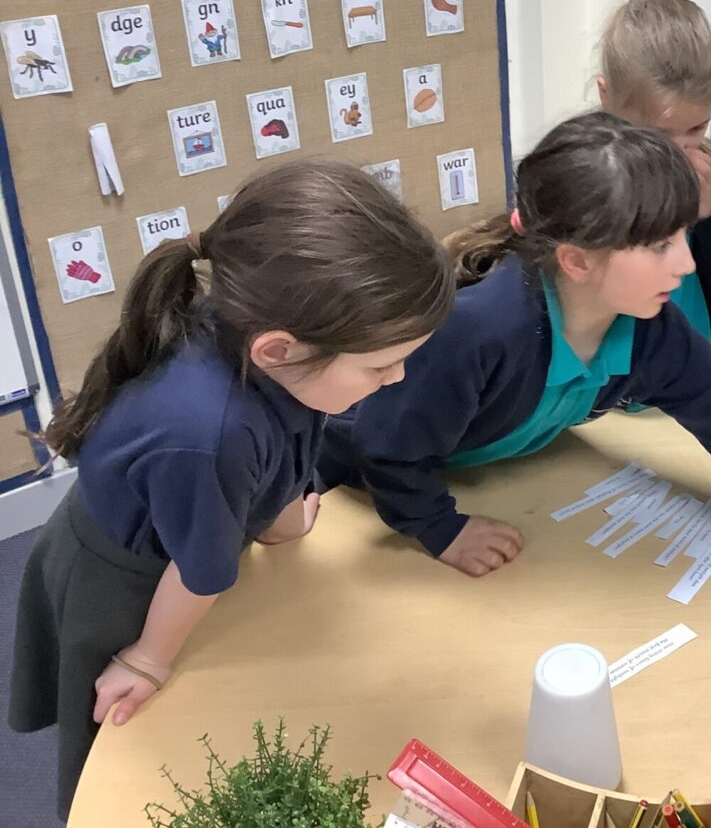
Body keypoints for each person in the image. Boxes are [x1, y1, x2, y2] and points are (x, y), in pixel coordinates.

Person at [320, 112, 711, 648]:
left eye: (682, 235)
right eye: (658, 245)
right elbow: (382, 444)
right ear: (577, 261)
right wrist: (440, 528)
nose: (685, 263)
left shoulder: (648, 328)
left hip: (494, 467)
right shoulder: (482, 330)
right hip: (350, 479)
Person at [9, 160, 457, 817]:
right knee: (127, 743)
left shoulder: (272, 355)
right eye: (380, 365)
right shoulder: (209, 432)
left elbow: (288, 443)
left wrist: (280, 518)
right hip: (123, 577)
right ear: (278, 349)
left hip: (182, 534)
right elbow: (199, 572)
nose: (396, 379)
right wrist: (149, 657)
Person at [596, 0, 711, 373]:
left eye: (695, 128)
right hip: (608, 386)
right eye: (658, 134)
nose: (677, 151)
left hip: (702, 376)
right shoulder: (584, 174)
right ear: (607, 97)